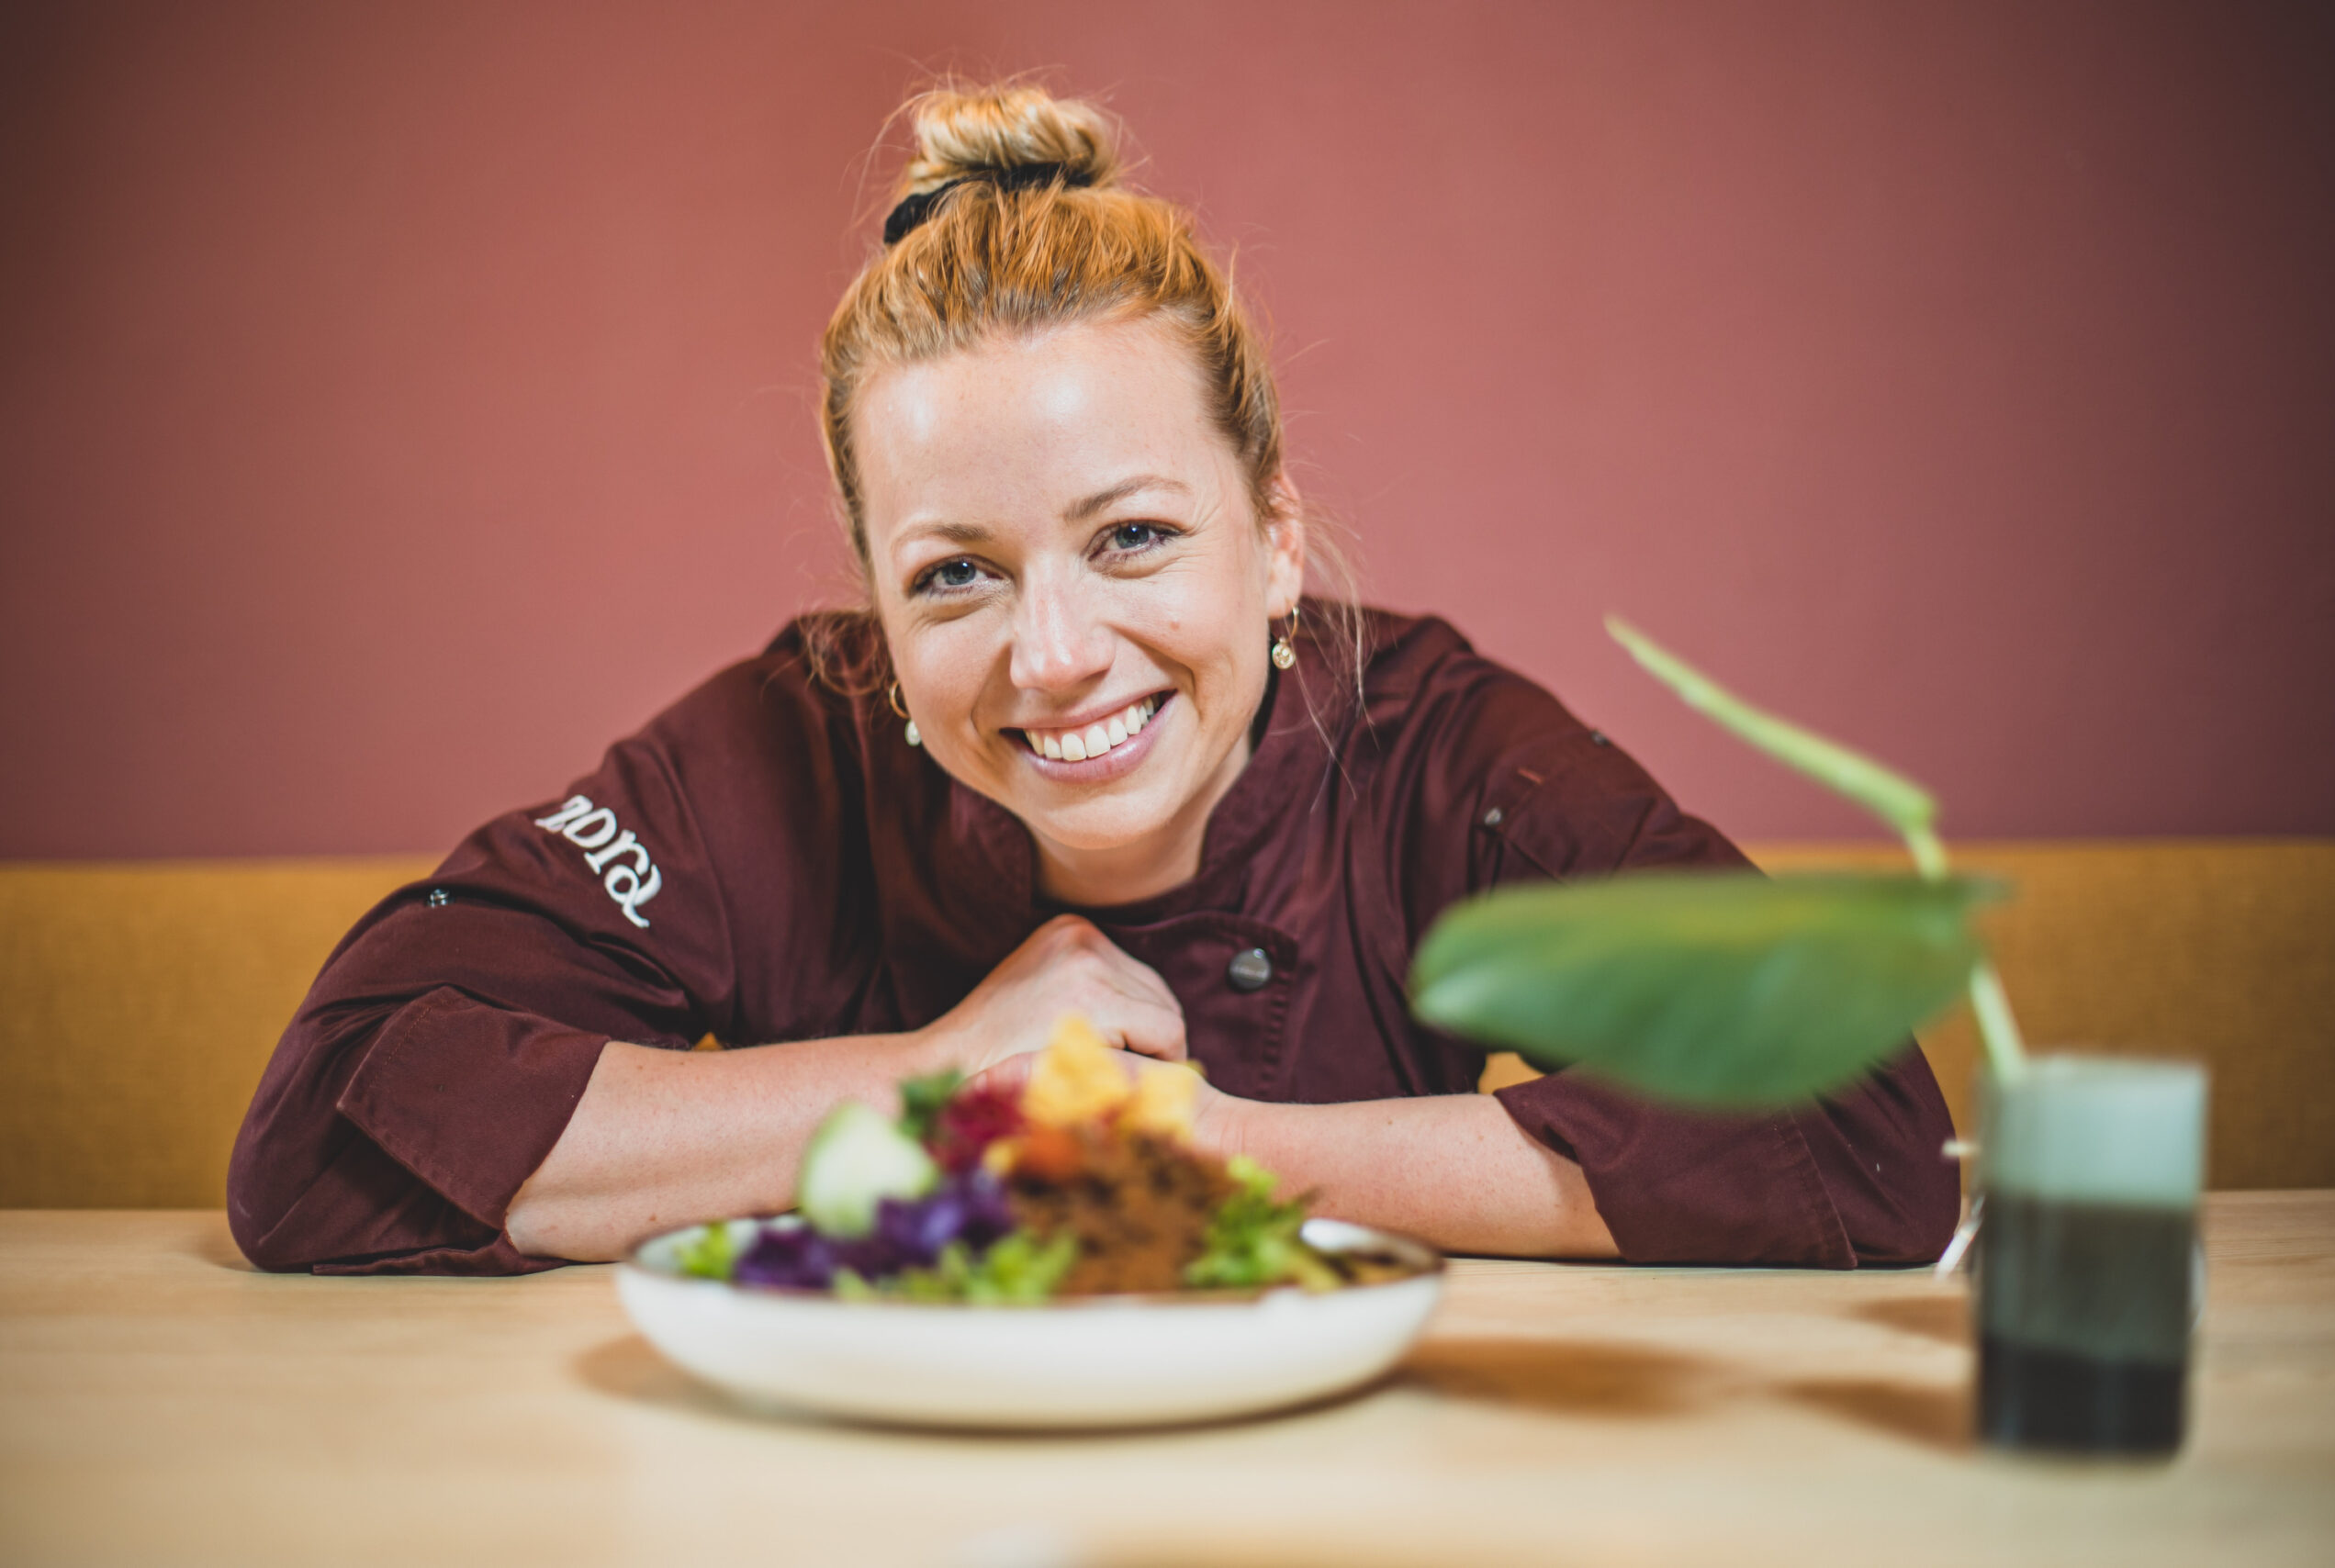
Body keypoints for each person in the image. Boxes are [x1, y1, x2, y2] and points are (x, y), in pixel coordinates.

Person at [229, 84, 1957, 1276]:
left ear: (1274, 540)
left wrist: (1199, 1144)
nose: (1052, 659)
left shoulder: (1442, 754)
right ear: (876, 626)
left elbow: (1858, 1133)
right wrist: (945, 1077)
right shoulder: (773, 757)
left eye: (1132, 538)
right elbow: (330, 1122)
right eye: (955, 576)